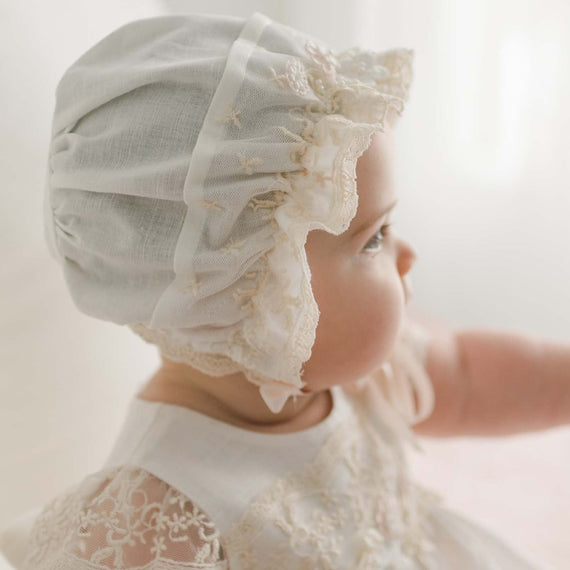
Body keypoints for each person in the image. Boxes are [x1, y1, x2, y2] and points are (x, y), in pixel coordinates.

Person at [1, 10, 567, 569]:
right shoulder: (161, 514)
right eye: (374, 238)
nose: (407, 253)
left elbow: (468, 376)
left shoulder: (348, 367)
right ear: (260, 291)